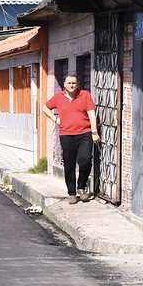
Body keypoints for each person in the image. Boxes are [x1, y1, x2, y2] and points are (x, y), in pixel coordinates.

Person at [41, 73, 100, 204]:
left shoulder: (85, 95)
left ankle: (81, 187)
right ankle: (72, 193)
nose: (72, 85)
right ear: (65, 85)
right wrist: (55, 119)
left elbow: (91, 113)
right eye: (69, 83)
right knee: (69, 163)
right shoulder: (58, 97)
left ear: (77, 84)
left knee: (85, 161)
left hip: (84, 133)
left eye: (74, 83)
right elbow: (45, 107)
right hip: (66, 134)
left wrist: (94, 131)